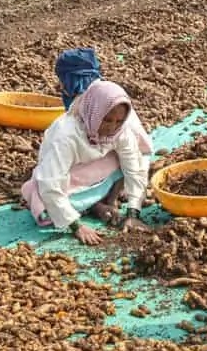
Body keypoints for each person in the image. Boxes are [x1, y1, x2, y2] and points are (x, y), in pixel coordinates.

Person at [21, 79, 152, 245]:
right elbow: (50, 183)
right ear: (95, 113)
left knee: (133, 158)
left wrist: (133, 213)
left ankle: (106, 202)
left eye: (119, 121)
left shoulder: (121, 131)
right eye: (107, 120)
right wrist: (76, 227)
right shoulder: (66, 135)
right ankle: (94, 206)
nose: (112, 128)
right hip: (66, 178)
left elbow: (134, 168)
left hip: (95, 170)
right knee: (46, 206)